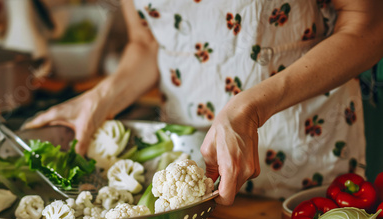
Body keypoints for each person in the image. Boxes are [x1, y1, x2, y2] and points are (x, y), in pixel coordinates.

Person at [24, 0, 383, 205]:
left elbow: (365, 30)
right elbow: (148, 43)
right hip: (193, 165)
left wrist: (249, 107)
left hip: (306, 161)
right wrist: (99, 98)